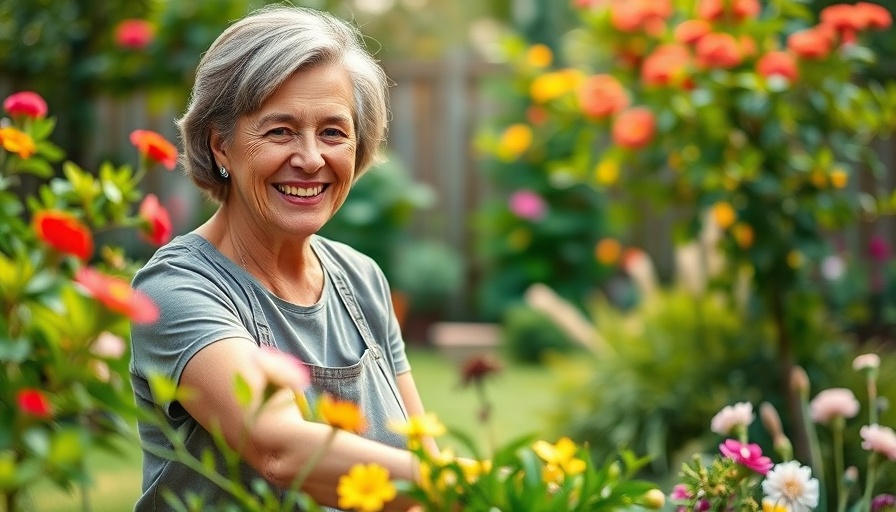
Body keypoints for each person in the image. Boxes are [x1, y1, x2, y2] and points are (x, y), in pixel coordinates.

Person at [129, 5, 433, 510]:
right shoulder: (176, 289)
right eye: (280, 131)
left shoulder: (361, 279)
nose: (311, 158)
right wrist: (472, 481)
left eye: (333, 132)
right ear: (221, 145)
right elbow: (280, 450)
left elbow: (420, 459)